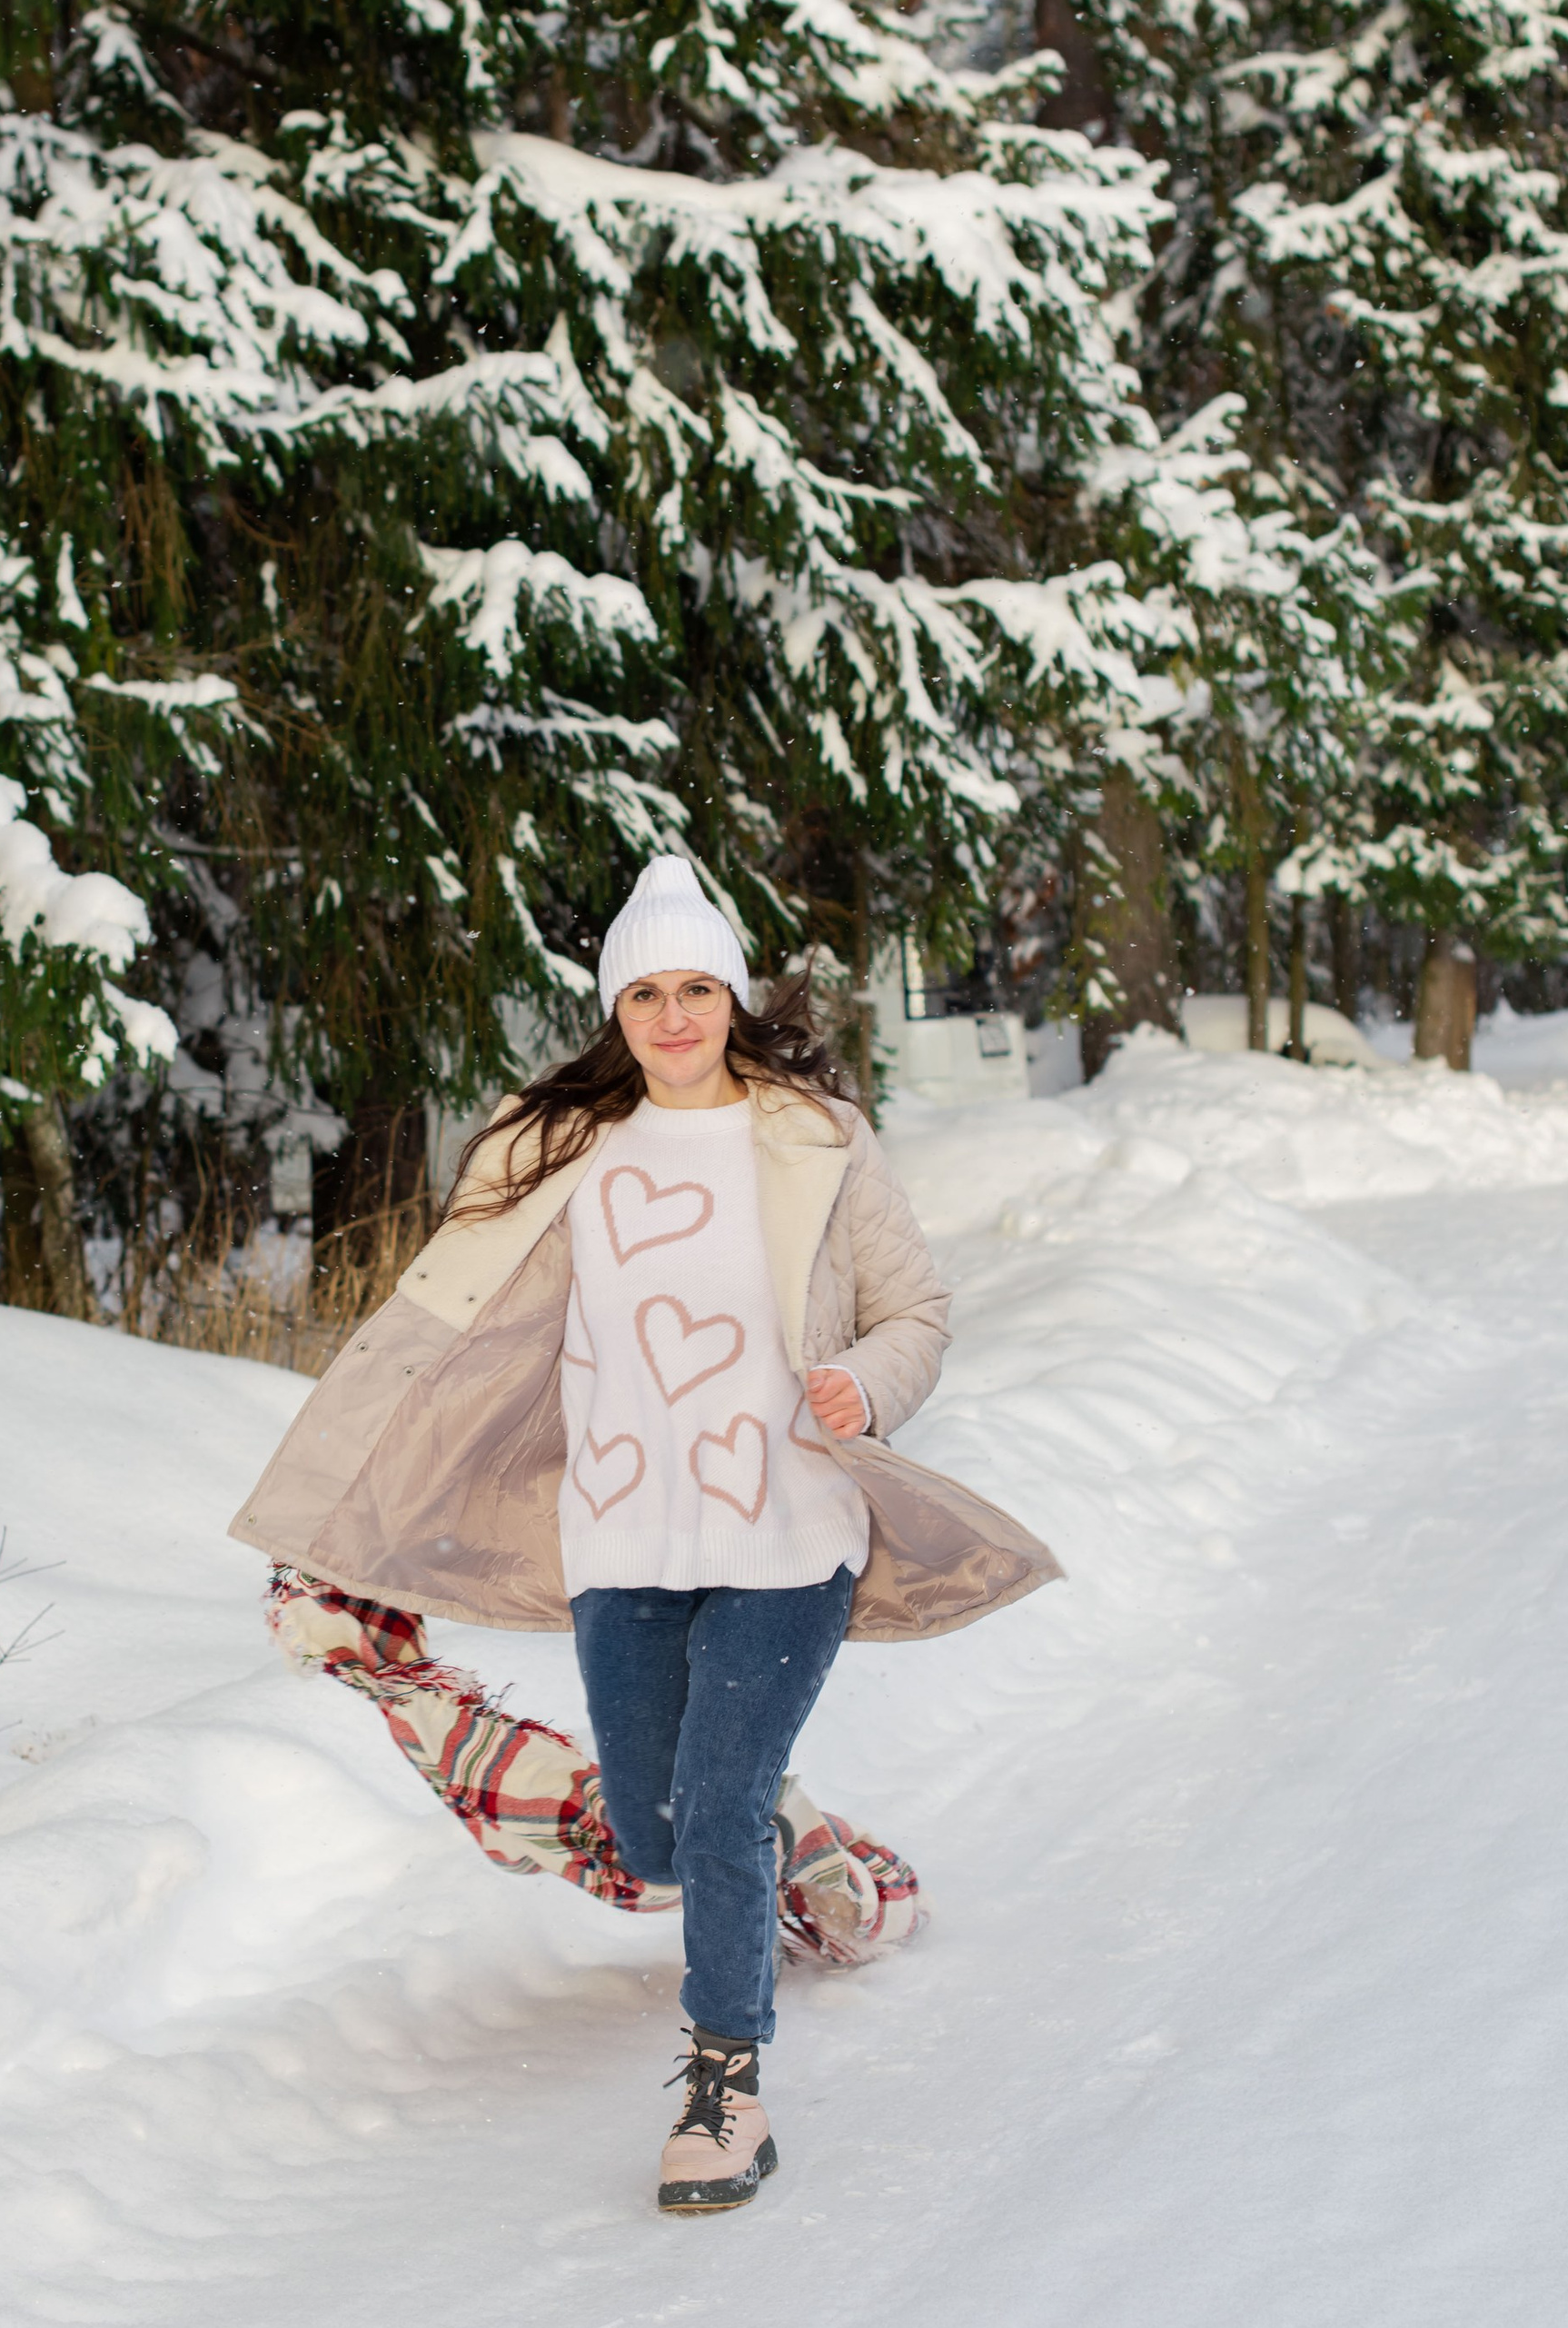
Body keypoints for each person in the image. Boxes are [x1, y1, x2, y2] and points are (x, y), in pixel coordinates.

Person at [230, 855, 1058, 2214]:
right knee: (660, 1838)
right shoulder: (553, 1150)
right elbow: (444, 1341)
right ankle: (782, 1834)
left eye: (695, 988)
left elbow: (918, 1312)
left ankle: (723, 2088)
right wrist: (344, 1505)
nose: (673, 1017)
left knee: (715, 1807)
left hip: (788, 1532)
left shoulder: (817, 1138)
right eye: (645, 993)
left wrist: (871, 1383)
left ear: (731, 996)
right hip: (619, 1539)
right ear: (614, 1009)